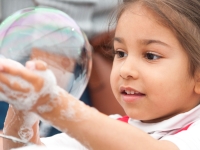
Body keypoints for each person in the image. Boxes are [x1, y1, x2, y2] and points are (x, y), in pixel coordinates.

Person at [2, 0, 200, 149]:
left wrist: (54, 104)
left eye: (150, 56)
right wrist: (23, 108)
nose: (125, 70)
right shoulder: (109, 127)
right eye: (120, 53)